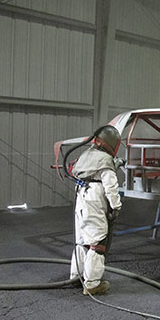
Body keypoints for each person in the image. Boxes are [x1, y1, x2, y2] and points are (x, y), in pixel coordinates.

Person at [70, 125, 122, 295]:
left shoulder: (87, 154)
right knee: (98, 241)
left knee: (82, 239)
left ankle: (76, 276)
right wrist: (116, 206)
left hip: (81, 198)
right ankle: (92, 284)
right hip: (94, 200)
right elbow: (111, 187)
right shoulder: (105, 160)